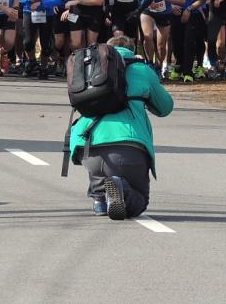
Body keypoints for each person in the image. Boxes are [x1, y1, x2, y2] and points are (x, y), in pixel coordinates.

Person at [69, 35, 174, 220]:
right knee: (140, 200)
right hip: (128, 147)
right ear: (132, 51)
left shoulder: (90, 69)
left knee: (100, 173)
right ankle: (121, 189)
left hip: (87, 148)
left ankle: (100, 200)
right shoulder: (141, 70)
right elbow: (165, 107)